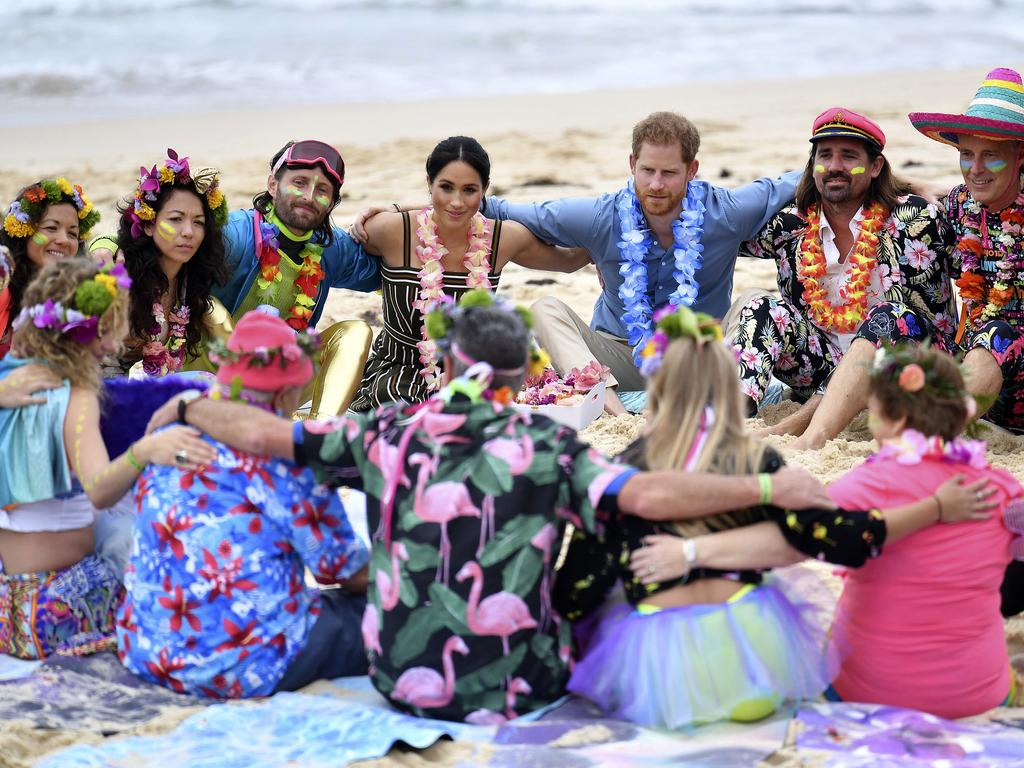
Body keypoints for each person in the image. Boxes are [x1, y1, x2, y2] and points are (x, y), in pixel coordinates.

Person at [146, 289, 838, 723]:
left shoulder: (383, 432)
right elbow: (649, 494)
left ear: (446, 366)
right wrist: (770, 488)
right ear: (522, 374)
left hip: (400, 685)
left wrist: (183, 403)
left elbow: (266, 433)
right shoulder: (550, 443)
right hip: (521, 688)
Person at [557, 308, 989, 729]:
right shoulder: (756, 460)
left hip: (658, 674)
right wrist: (934, 507)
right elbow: (840, 539)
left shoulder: (622, 471)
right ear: (728, 387)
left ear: (657, 389)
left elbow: (576, 588)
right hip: (752, 662)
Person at [648, 344, 1020, 719]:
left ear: (884, 419)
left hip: (866, 691)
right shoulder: (1002, 489)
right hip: (977, 695)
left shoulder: (861, 488)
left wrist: (688, 552)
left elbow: (783, 545)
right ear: (962, 415)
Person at [353, 112, 801, 415]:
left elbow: (798, 180)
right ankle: (609, 406)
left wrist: (862, 168)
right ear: (631, 164)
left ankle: (727, 398)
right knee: (546, 307)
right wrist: (414, 204)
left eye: (669, 172)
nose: (657, 183)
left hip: (702, 351)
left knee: (756, 300)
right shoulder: (601, 216)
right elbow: (496, 208)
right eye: (647, 170)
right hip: (621, 353)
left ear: (693, 169)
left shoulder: (728, 212)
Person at [117, 309, 370, 698]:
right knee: (376, 611)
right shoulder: (288, 462)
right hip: (238, 664)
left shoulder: (171, 427)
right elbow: (343, 570)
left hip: (149, 650)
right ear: (287, 394)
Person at [0, 258, 212, 659]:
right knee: (171, 564)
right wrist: (145, 451)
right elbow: (98, 489)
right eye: (114, 326)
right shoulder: (75, 393)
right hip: (49, 609)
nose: (117, 343)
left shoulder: (13, 378)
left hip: (5, 604)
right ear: (91, 329)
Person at [730, 107, 955, 448]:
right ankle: (733, 418)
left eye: (849, 156)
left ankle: (792, 428)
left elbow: (988, 225)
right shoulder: (789, 227)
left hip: (910, 370)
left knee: (889, 315)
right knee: (761, 306)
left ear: (876, 166)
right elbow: (720, 229)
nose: (835, 166)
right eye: (825, 156)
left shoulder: (918, 218)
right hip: (819, 366)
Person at [350, 136, 590, 411]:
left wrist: (609, 244)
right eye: (446, 187)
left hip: (475, 371)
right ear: (429, 184)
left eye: (469, 190)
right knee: (404, 414)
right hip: (398, 373)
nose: (456, 202)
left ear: (485, 190)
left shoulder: (501, 238)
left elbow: (569, 261)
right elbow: (332, 252)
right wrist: (391, 210)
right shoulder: (392, 230)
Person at [93, 148, 230, 376]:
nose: (188, 232)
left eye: (198, 222)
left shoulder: (190, 281)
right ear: (148, 224)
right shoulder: (120, 273)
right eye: (175, 219)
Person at [1, 178, 101, 359]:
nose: (63, 240)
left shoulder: (74, 292)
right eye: (50, 228)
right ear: (25, 231)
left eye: (72, 233)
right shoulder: (4, 288)